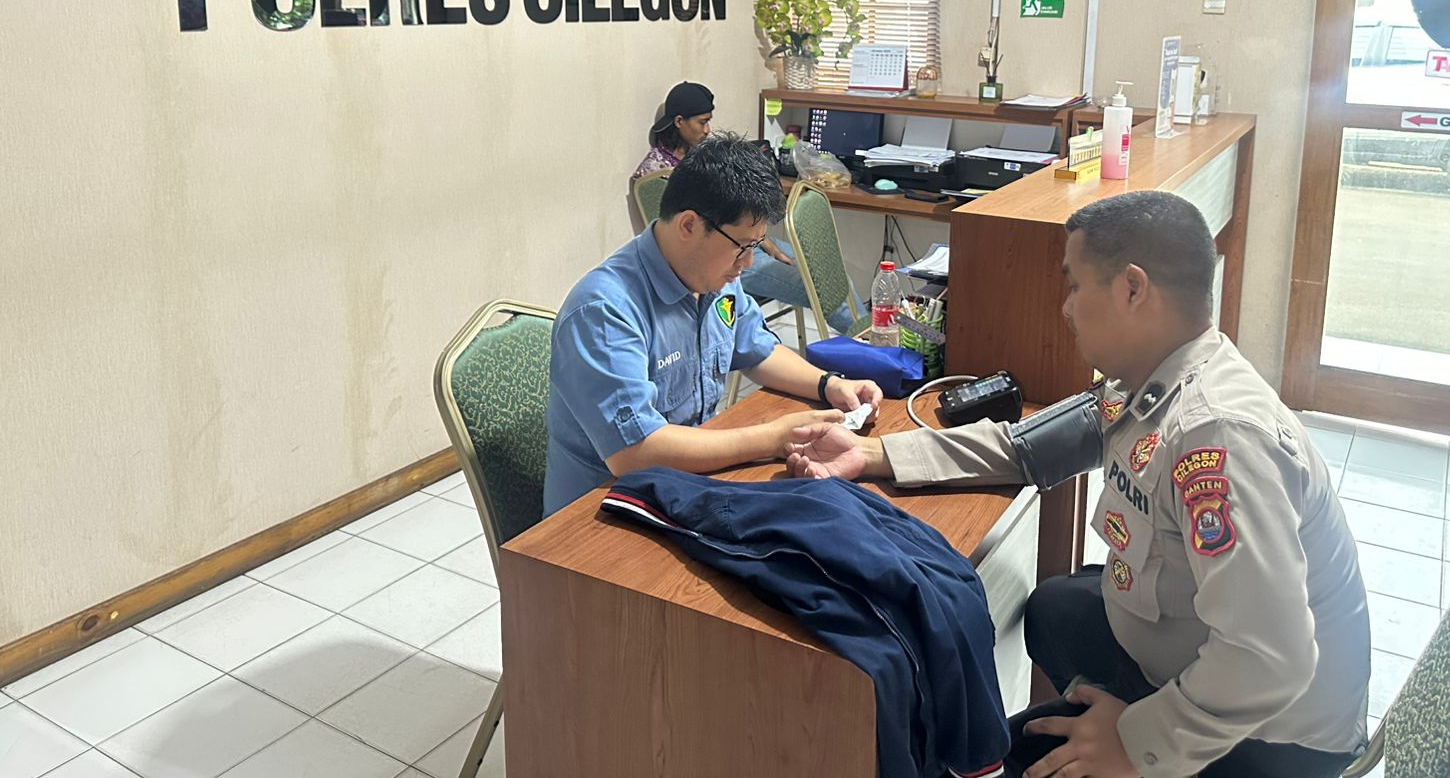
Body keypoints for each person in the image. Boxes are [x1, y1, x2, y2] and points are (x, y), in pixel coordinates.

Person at [783, 191, 1371, 778]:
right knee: (1056, 610)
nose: (1066, 308)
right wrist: (874, 453)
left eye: (1076, 285)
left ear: (1133, 288)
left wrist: (1135, 744)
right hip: (1207, 664)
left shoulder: (1218, 434)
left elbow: (1271, 657)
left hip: (1268, 739)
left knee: (1014, 757)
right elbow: (1023, 447)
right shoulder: (1148, 379)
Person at [545, 132, 884, 516]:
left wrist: (831, 385)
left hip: (681, 485)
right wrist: (773, 437)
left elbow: (756, 349)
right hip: (600, 514)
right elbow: (635, 452)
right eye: (743, 246)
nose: (748, 263)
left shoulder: (711, 276)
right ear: (689, 225)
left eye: (755, 246)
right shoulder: (604, 311)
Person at [631, 80, 858, 333]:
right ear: (679, 121)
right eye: (702, 122)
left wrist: (760, 241)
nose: (707, 130)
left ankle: (873, 334)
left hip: (745, 243)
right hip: (721, 255)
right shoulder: (657, 173)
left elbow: (733, 211)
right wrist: (755, 245)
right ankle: (870, 345)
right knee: (821, 287)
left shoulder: (704, 157)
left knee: (832, 275)